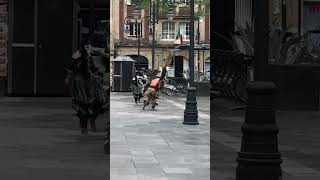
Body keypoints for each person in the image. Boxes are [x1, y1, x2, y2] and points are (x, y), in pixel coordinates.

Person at [65, 44, 108, 135]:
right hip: (82, 84)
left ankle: (91, 122)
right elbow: (71, 70)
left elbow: (94, 69)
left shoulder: (91, 56)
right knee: (83, 108)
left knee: (98, 103)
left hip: (90, 83)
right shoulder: (78, 58)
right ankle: (84, 128)